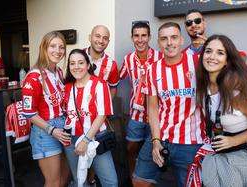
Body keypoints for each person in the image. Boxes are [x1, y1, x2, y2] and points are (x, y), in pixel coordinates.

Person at [132, 22, 205, 187]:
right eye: (164, 39)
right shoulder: (152, 70)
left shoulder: (199, 63)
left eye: (173, 37)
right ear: (158, 43)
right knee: (139, 181)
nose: (169, 43)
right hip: (161, 137)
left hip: (191, 142)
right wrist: (156, 141)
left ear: (181, 39)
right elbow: (152, 108)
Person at [196, 34, 247, 187]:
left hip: (245, 150)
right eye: (208, 51)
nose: (212, 56)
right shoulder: (204, 84)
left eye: (220, 53)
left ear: (227, 60)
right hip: (223, 150)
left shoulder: (235, 91)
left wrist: (234, 140)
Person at [21, 31, 70, 187]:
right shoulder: (33, 77)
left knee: (64, 177)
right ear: (44, 48)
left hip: (62, 128)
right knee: (53, 182)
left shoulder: (59, 72)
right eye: (53, 46)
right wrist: (51, 129)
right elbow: (29, 113)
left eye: (61, 47)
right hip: (45, 132)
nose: (58, 50)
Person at [63, 49, 118, 187]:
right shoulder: (67, 87)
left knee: (110, 182)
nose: (76, 67)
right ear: (69, 67)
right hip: (72, 140)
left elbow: (103, 113)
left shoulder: (100, 84)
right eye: (72, 63)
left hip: (96, 138)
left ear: (88, 65)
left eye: (81, 63)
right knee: (79, 181)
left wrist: (86, 140)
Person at [119, 20, 163, 178]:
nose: (140, 39)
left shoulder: (160, 57)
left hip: (156, 115)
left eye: (144, 35)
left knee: (154, 151)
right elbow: (115, 78)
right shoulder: (128, 59)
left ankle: (148, 180)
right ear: (132, 38)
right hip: (136, 114)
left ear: (149, 37)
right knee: (131, 149)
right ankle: (132, 178)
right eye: (136, 36)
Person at [83, 25, 119, 99]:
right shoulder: (78, 56)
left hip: (98, 110)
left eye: (105, 38)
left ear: (108, 42)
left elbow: (113, 88)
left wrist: (106, 106)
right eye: (97, 36)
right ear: (90, 37)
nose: (101, 41)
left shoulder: (112, 64)